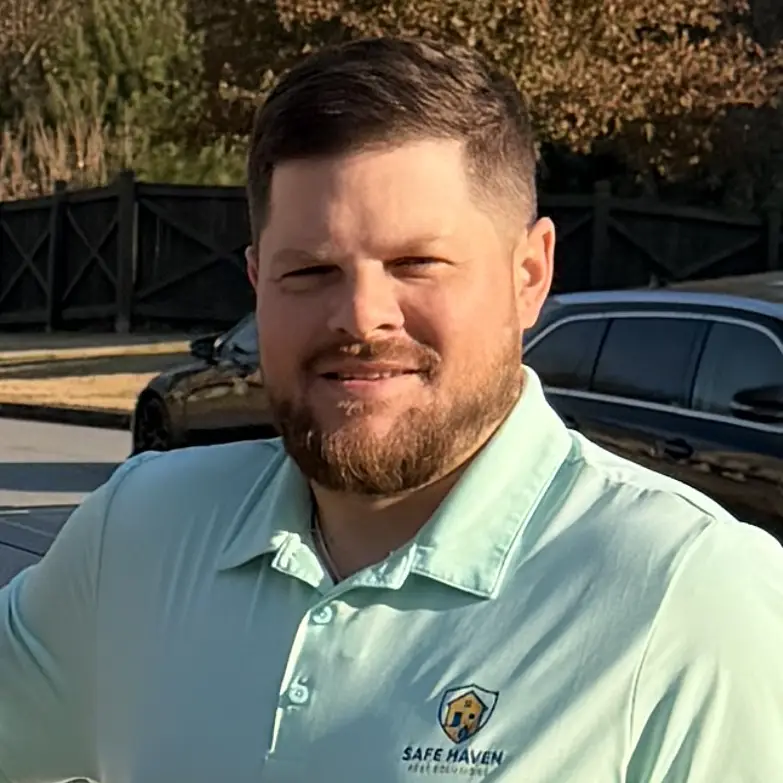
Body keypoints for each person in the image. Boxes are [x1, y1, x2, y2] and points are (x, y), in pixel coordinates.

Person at [1, 37, 782, 783]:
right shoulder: (139, 532)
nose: (361, 316)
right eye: (310, 271)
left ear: (528, 274)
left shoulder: (685, 591)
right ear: (257, 284)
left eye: (416, 262)